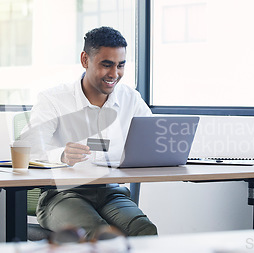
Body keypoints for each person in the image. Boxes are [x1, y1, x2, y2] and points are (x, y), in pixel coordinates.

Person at [20, 26, 157, 239]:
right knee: (97, 234)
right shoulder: (54, 99)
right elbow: (25, 149)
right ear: (85, 60)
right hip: (62, 195)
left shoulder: (130, 98)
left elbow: (154, 140)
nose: (114, 74)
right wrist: (61, 156)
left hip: (111, 192)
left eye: (121, 65)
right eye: (106, 65)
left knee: (145, 231)